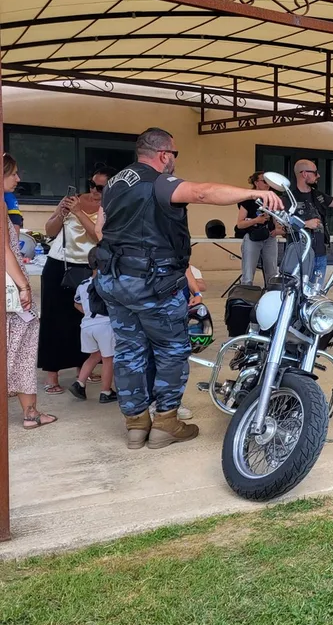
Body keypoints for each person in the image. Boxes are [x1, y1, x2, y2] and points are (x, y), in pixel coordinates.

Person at [94, 127, 285, 450]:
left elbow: (101, 229)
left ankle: (136, 425)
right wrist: (251, 194)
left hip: (116, 279)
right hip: (152, 283)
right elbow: (200, 192)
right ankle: (166, 422)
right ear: (164, 155)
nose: (174, 161)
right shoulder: (157, 182)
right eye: (175, 154)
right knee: (170, 349)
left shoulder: (114, 184)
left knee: (129, 350)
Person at [37, 164, 115, 394]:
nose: (94, 191)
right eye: (92, 185)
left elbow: (98, 236)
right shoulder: (72, 200)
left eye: (100, 187)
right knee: (54, 320)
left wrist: (80, 213)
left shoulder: (111, 206)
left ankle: (85, 368)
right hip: (60, 265)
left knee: (87, 319)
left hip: (91, 268)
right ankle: (52, 374)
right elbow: (50, 231)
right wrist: (62, 212)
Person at [4, 154, 55, 429]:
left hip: (11, 290)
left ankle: (31, 412)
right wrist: (24, 286)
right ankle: (31, 413)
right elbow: (5, 250)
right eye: (12, 173)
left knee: (20, 350)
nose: (18, 178)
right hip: (11, 292)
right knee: (18, 351)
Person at [68, 248, 117, 404]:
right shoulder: (110, 283)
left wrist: (89, 314)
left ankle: (80, 383)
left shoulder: (83, 284)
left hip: (87, 325)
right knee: (108, 359)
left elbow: (76, 304)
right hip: (105, 325)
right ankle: (106, 391)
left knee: (94, 356)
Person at [236, 171, 281, 286]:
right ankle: (245, 299)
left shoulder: (272, 199)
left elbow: (275, 219)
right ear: (256, 183)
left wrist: (277, 229)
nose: (267, 184)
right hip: (253, 237)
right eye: (264, 181)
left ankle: (270, 298)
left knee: (272, 273)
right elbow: (240, 224)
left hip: (269, 237)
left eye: (269, 182)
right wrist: (256, 220)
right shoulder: (247, 200)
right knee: (248, 274)